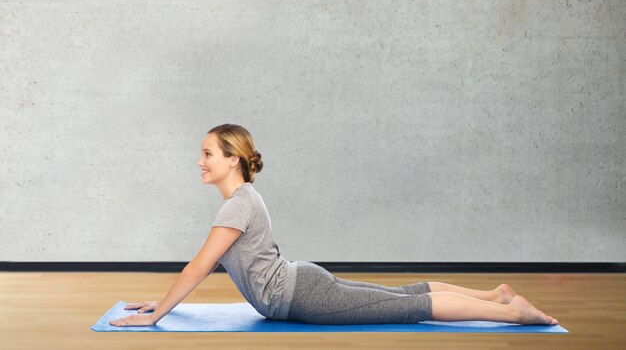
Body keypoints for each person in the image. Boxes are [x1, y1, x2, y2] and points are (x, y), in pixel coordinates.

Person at [110, 123, 558, 327]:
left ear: (233, 160)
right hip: (302, 283)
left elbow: (197, 268)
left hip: (301, 293)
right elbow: (206, 270)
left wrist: (158, 315)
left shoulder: (235, 207)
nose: (200, 161)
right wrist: (164, 303)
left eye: (207, 153)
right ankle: (493, 294)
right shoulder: (245, 199)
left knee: (407, 308)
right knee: (399, 297)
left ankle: (508, 312)